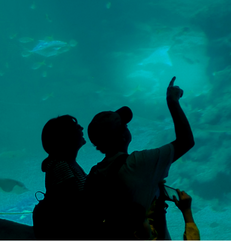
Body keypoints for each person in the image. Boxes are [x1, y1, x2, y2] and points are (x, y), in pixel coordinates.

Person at [84, 76, 195, 239]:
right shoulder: (138, 164)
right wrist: (172, 101)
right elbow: (186, 141)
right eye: (125, 126)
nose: (128, 127)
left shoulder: (94, 174)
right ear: (122, 136)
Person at [34, 115, 87, 239]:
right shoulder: (61, 166)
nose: (81, 128)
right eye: (76, 127)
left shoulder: (67, 163)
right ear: (66, 137)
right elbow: (73, 204)